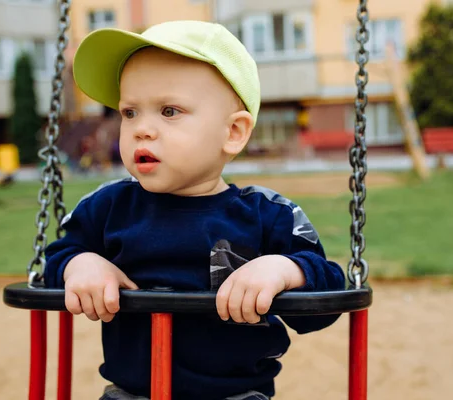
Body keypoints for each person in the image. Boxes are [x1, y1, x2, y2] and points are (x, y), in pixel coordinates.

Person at [44, 20, 345, 400]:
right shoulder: (107, 207)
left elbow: (328, 295)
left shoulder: (267, 214)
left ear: (233, 133)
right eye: (130, 112)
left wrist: (286, 270)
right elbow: (53, 261)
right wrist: (80, 263)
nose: (142, 129)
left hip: (236, 396)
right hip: (131, 394)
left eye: (169, 111)